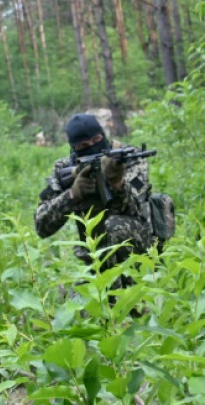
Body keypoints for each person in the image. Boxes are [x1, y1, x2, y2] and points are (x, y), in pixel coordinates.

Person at [35, 113, 153, 289]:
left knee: (112, 225)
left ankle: (121, 293)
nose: (92, 146)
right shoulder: (65, 167)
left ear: (103, 135)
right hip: (94, 253)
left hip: (138, 244)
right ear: (74, 147)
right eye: (83, 145)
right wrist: (72, 195)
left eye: (96, 139)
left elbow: (136, 205)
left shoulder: (129, 157)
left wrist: (117, 183)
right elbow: (42, 226)